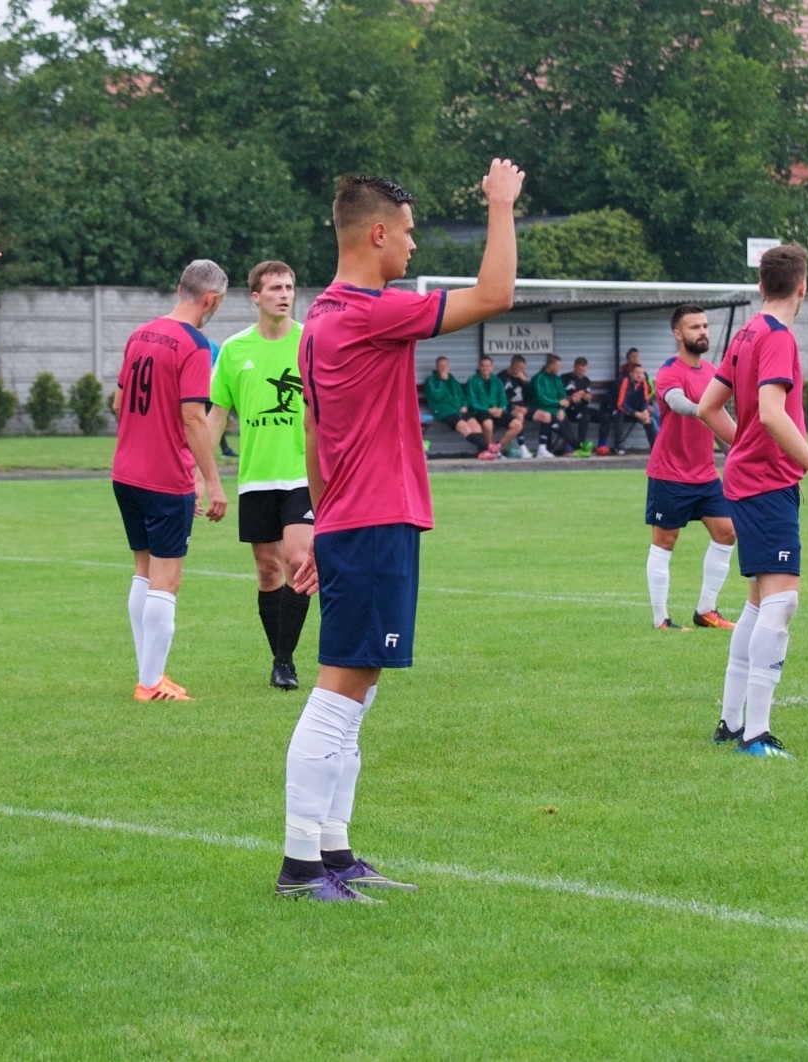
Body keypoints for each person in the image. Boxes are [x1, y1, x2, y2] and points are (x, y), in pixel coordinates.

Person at [279, 160, 525, 902]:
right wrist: (500, 204)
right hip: (376, 520)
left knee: (359, 689)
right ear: (378, 233)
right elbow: (496, 295)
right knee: (339, 690)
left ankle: (334, 849)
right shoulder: (363, 312)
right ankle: (299, 866)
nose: (414, 247)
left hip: (358, 521)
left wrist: (322, 524)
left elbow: (318, 436)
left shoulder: (320, 319)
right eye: (410, 233)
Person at [696, 245, 808, 760]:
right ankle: (755, 735)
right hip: (764, 485)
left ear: (762, 285)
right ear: (803, 287)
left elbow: (707, 407)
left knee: (760, 602)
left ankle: (731, 721)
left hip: (751, 479)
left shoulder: (745, 332)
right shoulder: (778, 338)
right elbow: (770, 412)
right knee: (782, 602)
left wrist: (740, 447)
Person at [111, 260, 231, 702]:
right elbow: (193, 418)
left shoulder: (140, 334)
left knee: (143, 572)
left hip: (126, 472)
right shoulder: (195, 345)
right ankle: (150, 682)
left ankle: (150, 674)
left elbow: (118, 401)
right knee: (167, 579)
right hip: (165, 478)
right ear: (210, 299)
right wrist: (214, 481)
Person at [206, 260, 315, 691]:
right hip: (256, 477)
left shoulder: (311, 342)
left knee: (298, 562)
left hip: (303, 474)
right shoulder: (234, 350)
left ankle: (284, 662)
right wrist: (203, 474)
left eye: (289, 286)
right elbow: (216, 416)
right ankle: (280, 657)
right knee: (268, 571)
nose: (284, 294)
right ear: (256, 296)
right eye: (274, 288)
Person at [645, 304, 737, 631]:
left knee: (727, 533)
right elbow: (677, 403)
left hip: (705, 475)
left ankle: (706, 612)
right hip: (669, 474)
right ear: (678, 334)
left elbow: (720, 423)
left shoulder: (712, 373)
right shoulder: (669, 371)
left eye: (705, 326)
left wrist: (737, 452)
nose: (703, 332)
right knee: (665, 540)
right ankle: (661, 621)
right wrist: (706, 410)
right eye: (694, 327)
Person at [424, 356, 490, 456]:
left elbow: (462, 395)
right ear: (436, 368)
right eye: (441, 366)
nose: (443, 368)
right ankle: (489, 448)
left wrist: (464, 405)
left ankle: (482, 452)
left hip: (458, 410)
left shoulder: (452, 380)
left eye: (445, 365)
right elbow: (436, 397)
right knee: (464, 427)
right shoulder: (431, 381)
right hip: (444, 412)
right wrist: (442, 381)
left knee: (476, 426)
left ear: (449, 367)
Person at [467, 354, 515, 459]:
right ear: (479, 367)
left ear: (492, 367)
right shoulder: (473, 381)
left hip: (496, 411)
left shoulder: (496, 380)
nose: (485, 368)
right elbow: (472, 402)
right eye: (483, 366)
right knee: (488, 424)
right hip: (480, 411)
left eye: (488, 366)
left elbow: (503, 398)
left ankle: (496, 447)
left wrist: (501, 408)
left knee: (517, 425)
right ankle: (487, 450)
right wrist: (488, 409)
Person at [529, 353, 577, 457]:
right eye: (557, 366)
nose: (559, 368)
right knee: (560, 428)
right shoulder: (538, 378)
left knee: (567, 425)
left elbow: (562, 396)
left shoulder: (557, 378)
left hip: (556, 411)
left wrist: (561, 409)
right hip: (542, 410)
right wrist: (558, 403)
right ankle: (578, 447)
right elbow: (541, 399)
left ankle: (575, 448)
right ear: (550, 365)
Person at [614, 362, 657, 453]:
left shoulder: (643, 383)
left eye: (641, 373)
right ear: (631, 374)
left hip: (637, 411)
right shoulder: (625, 382)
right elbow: (621, 404)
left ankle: (654, 448)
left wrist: (645, 411)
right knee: (619, 416)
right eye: (637, 373)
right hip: (625, 411)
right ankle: (619, 446)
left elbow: (644, 401)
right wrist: (637, 414)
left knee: (648, 418)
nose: (639, 375)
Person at [497, 354, 533, 458]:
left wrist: (525, 381)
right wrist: (514, 407)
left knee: (546, 416)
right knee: (520, 415)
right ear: (513, 365)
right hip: (509, 407)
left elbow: (530, 395)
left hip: (523, 406)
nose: (521, 370)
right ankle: (522, 446)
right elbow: (501, 398)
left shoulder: (522, 376)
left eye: (523, 369)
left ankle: (543, 448)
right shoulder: (502, 377)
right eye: (519, 368)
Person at [561, 357, 595, 455]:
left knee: (604, 415)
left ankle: (602, 445)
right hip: (567, 409)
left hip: (581, 408)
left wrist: (586, 397)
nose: (581, 372)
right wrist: (571, 397)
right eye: (579, 370)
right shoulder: (564, 378)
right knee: (584, 417)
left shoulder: (586, 380)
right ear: (574, 367)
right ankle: (579, 445)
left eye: (584, 370)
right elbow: (558, 396)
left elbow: (587, 399)